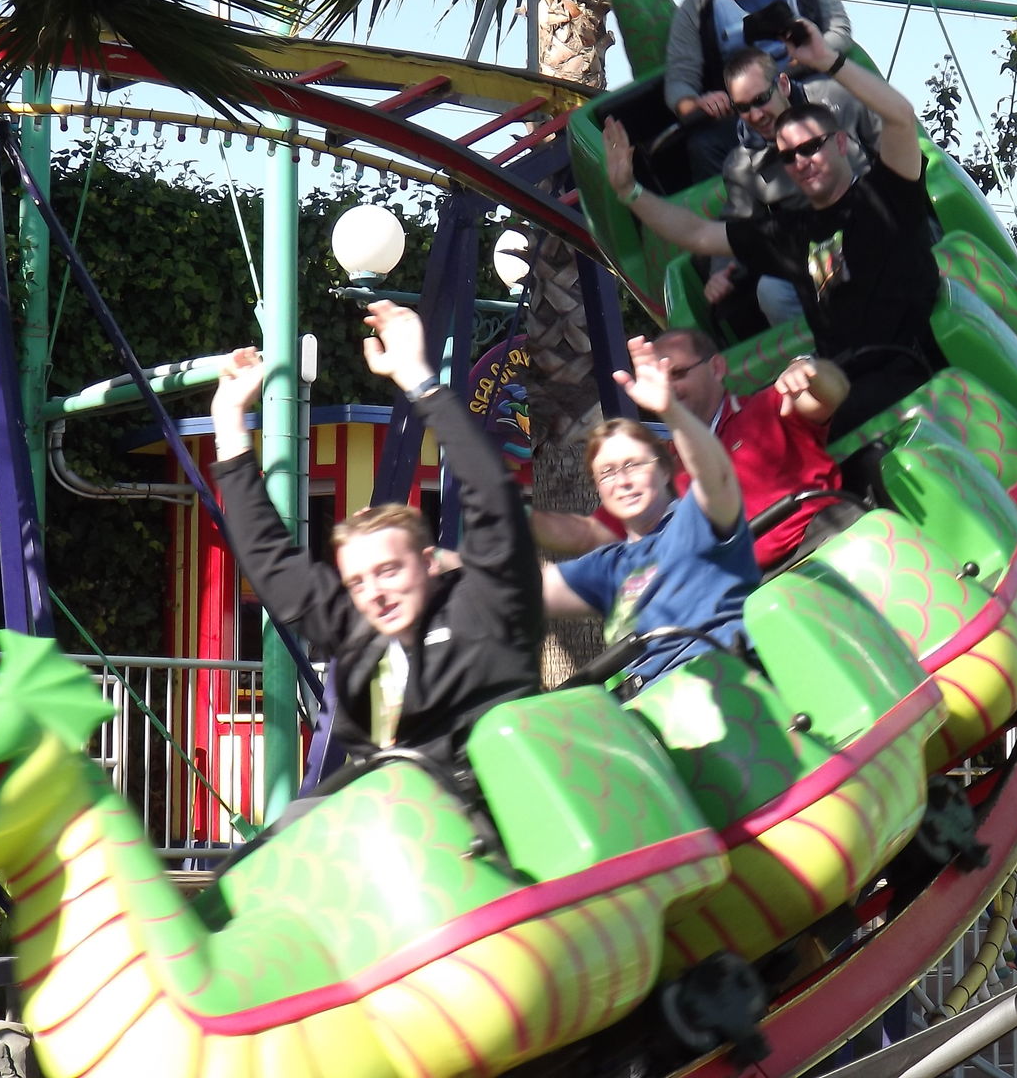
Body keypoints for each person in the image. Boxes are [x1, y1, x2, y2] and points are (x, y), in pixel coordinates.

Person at [209, 301, 541, 771]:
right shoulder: (358, 629)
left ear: (428, 562)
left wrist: (419, 381)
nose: (375, 593)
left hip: (504, 797)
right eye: (358, 582)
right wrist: (229, 422)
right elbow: (271, 563)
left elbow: (491, 493)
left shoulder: (487, 603)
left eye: (388, 571)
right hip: (400, 806)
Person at [605, 23, 941, 442]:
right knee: (753, 436)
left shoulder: (887, 192)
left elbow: (900, 117)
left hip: (912, 370)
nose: (800, 161)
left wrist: (828, 60)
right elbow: (697, 234)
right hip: (841, 385)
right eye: (789, 156)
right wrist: (629, 192)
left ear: (839, 143)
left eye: (810, 147)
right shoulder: (793, 233)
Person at [534, 328, 856, 572]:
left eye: (678, 373)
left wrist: (807, 369)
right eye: (659, 377)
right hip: (740, 597)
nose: (668, 387)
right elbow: (588, 533)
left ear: (716, 368)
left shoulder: (766, 407)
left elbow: (832, 391)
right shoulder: (659, 467)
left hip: (822, 549)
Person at [540, 335, 759, 688]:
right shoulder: (607, 566)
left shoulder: (695, 519)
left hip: (727, 676)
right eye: (607, 473)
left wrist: (672, 411)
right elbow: (519, 589)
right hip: (657, 702)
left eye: (633, 465)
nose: (622, 481)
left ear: (664, 469)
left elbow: (715, 476)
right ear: (598, 488)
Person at [663, 0, 854, 177]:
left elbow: (840, 29)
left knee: (844, 101)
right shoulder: (695, 11)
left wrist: (815, 54)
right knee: (703, 145)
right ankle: (748, 202)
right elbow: (679, 82)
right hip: (751, 113)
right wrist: (696, 103)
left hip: (810, 86)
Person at [709, 44, 890, 328]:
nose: (756, 115)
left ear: (782, 84)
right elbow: (737, 224)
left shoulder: (836, 99)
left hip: (875, 218)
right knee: (771, 291)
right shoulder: (742, 166)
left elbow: (888, 141)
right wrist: (720, 272)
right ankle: (830, 347)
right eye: (743, 108)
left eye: (761, 99)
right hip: (822, 249)